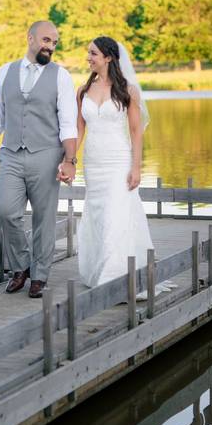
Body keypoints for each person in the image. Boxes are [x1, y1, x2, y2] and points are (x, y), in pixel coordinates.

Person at [0, 20, 78, 298]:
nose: (51, 46)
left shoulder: (61, 76)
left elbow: (68, 124)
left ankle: (40, 275)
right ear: (30, 38)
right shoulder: (5, 72)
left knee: (44, 219)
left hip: (47, 155)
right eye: (46, 40)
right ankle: (21, 266)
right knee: (7, 212)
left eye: (55, 42)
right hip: (10, 154)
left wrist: (70, 160)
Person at [75, 36, 163, 293]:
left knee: (117, 214)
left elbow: (136, 132)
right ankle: (99, 271)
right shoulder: (82, 91)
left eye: (93, 53)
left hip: (118, 161)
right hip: (93, 163)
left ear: (108, 57)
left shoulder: (127, 91)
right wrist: (68, 160)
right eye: (88, 53)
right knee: (98, 214)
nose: (88, 57)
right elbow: (79, 131)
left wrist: (136, 168)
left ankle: (114, 281)